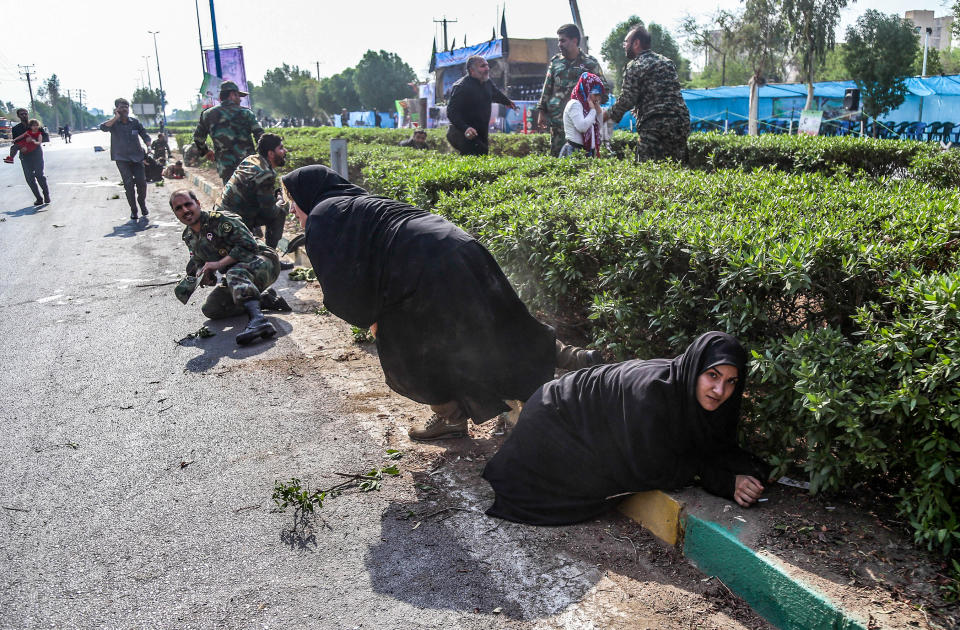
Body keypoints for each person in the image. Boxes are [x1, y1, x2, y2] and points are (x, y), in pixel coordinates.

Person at [280, 165, 601, 441]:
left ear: (307, 194)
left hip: (422, 267)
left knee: (407, 355)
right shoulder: (354, 202)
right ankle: (576, 358)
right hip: (458, 244)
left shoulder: (322, 216)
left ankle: (451, 418)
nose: (293, 211)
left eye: (293, 203)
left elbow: (344, 285)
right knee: (498, 319)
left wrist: (372, 319)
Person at [482, 332, 772, 525]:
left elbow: (708, 444)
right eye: (713, 375)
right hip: (555, 418)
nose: (720, 390)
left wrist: (747, 469)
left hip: (578, 417)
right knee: (591, 480)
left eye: (731, 381)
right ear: (696, 369)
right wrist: (724, 482)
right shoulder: (654, 394)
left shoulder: (694, 393)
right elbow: (651, 467)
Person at [169, 189, 289, 346]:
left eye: (188, 204)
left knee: (234, 272)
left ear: (197, 204)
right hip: (239, 275)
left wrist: (218, 264)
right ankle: (263, 299)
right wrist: (205, 274)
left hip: (263, 261)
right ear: (175, 213)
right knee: (211, 309)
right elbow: (199, 260)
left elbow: (249, 245)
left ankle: (258, 321)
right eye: (179, 208)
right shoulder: (189, 236)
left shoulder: (221, 220)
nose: (185, 210)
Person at [604, 24, 690, 163]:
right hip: (681, 122)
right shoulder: (666, 62)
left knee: (646, 169)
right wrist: (639, 108)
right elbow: (662, 94)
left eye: (626, 42)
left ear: (636, 43)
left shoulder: (635, 65)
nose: (624, 46)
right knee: (677, 167)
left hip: (655, 125)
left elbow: (627, 98)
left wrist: (607, 115)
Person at [537, 24, 609, 157]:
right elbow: (547, 88)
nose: (559, 44)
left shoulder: (590, 63)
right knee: (557, 160)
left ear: (574, 40)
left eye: (563, 40)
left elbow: (603, 90)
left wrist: (593, 100)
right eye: (559, 40)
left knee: (582, 161)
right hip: (558, 124)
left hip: (581, 125)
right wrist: (541, 111)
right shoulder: (556, 62)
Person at [215, 133, 290, 255]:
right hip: (235, 222)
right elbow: (269, 212)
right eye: (281, 148)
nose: (285, 151)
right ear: (271, 154)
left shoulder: (251, 159)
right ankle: (270, 256)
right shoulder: (266, 174)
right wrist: (281, 200)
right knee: (280, 213)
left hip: (220, 214)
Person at [192, 81, 264, 183]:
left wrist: (206, 152)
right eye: (238, 96)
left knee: (232, 196)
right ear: (232, 95)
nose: (240, 99)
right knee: (252, 196)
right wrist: (263, 158)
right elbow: (261, 137)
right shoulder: (246, 113)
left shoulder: (207, 115)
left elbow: (198, 138)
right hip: (249, 166)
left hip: (226, 168)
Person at [445, 55, 517, 156]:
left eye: (487, 65)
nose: (487, 68)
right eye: (482, 66)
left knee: (482, 154)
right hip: (462, 132)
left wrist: (507, 102)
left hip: (481, 132)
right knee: (474, 156)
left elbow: (495, 93)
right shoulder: (461, 87)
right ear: (472, 70)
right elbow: (451, 112)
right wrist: (466, 128)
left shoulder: (487, 82)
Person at [100, 98, 151, 220]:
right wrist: (115, 117)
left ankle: (142, 203)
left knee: (142, 183)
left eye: (126, 107)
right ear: (116, 109)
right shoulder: (113, 124)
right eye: (122, 107)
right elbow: (103, 127)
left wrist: (149, 146)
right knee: (128, 184)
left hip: (137, 158)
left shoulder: (134, 122)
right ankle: (134, 210)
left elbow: (144, 134)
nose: (124, 109)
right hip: (121, 159)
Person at [560, 72, 605, 157]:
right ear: (586, 90)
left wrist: (598, 110)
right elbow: (582, 127)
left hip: (588, 151)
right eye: (595, 95)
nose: (597, 98)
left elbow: (601, 124)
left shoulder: (588, 106)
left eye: (599, 95)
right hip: (575, 151)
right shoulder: (575, 104)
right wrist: (593, 111)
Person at [9, 115, 50, 205]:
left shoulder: (36, 125)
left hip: (37, 154)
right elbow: (16, 141)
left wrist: (33, 140)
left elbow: (46, 138)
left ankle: (46, 194)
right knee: (29, 178)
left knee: (39, 175)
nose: (24, 115)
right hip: (25, 156)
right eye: (21, 113)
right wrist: (21, 148)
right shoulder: (16, 128)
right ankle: (38, 198)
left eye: (25, 113)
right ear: (18, 116)